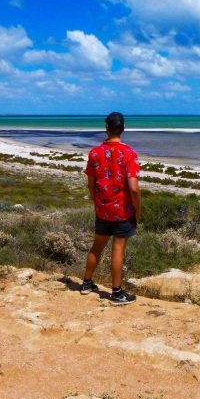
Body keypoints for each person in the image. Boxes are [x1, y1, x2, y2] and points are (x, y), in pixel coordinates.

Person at [81, 111, 141, 305]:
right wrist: (137, 209)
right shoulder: (129, 154)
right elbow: (133, 187)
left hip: (102, 209)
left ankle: (87, 283)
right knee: (118, 250)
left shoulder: (95, 153)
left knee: (97, 246)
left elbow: (91, 183)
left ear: (106, 128)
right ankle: (116, 293)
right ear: (123, 129)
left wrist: (96, 202)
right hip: (122, 211)